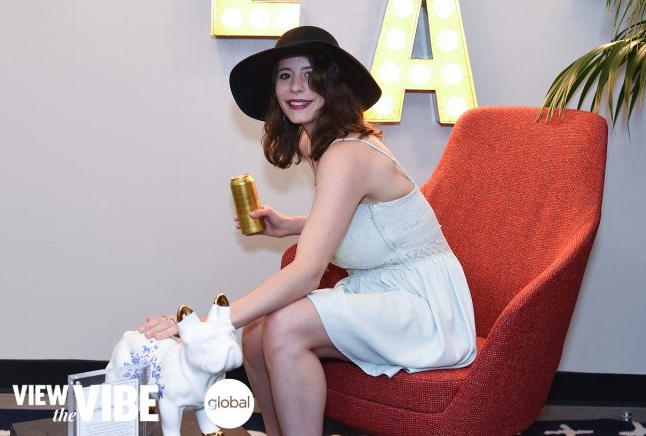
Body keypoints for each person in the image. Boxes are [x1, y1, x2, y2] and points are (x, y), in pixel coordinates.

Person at [139, 25, 477, 436]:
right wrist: (295, 225)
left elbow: (306, 274)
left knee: (283, 325)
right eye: (285, 75)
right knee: (256, 332)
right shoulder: (314, 141)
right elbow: (374, 220)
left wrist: (208, 323)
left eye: (310, 74)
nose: (296, 87)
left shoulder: (347, 154)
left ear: (333, 85)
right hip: (381, 289)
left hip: (425, 306)